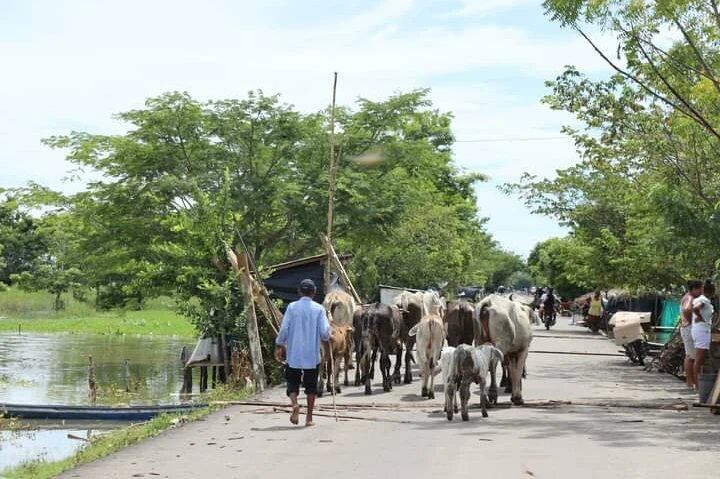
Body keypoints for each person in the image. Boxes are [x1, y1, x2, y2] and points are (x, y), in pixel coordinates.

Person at [275, 279, 330, 427]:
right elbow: (325, 333)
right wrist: (327, 337)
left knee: (292, 383)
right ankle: (309, 418)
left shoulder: (292, 307)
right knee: (311, 387)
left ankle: (294, 404)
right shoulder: (319, 309)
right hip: (312, 356)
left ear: (299, 291)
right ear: (314, 292)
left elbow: (284, 329)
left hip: (294, 355)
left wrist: (279, 343)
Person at [692, 279, 715, 390]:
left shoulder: (701, 299)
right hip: (702, 330)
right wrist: (700, 317)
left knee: (699, 358)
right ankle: (697, 384)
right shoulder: (704, 300)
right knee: (699, 358)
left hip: (700, 329)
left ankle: (697, 383)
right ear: (712, 292)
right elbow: (696, 308)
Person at [681, 279, 703, 389]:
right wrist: (691, 320)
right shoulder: (690, 297)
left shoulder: (688, 297)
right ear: (694, 289)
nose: (701, 292)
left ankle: (691, 383)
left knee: (690, 355)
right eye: (700, 289)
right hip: (689, 329)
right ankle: (691, 383)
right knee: (691, 357)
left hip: (687, 328)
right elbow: (687, 309)